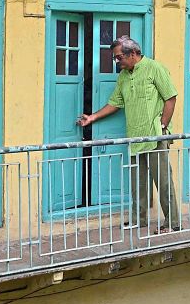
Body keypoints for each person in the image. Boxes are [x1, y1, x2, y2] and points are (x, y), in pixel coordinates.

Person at [77, 36, 180, 231]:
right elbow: (115, 103)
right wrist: (92, 117)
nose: (117, 62)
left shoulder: (154, 68)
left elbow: (170, 97)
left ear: (133, 53)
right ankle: (138, 220)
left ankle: (173, 223)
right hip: (134, 136)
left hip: (155, 136)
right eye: (115, 58)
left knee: (164, 182)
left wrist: (163, 125)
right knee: (138, 183)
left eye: (119, 57)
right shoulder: (124, 76)